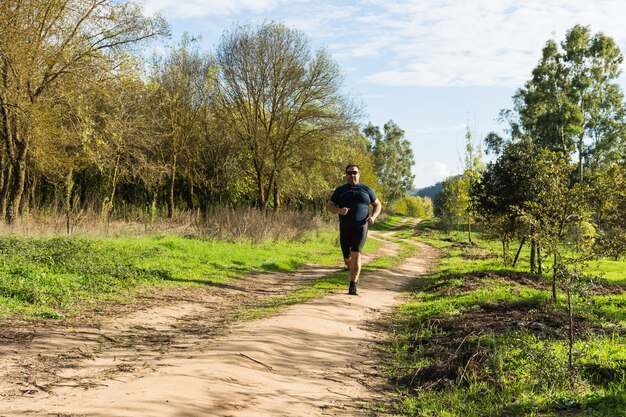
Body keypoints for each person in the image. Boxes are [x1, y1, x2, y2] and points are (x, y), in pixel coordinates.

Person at [327, 164, 382, 295]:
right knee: (347, 258)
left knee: (356, 253)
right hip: (345, 227)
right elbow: (330, 205)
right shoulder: (340, 190)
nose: (352, 175)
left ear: (359, 174)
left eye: (355, 172)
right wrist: (339, 210)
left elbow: (377, 204)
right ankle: (354, 273)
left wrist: (373, 217)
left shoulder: (367, 189)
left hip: (361, 226)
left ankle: (353, 286)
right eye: (349, 173)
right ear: (346, 175)